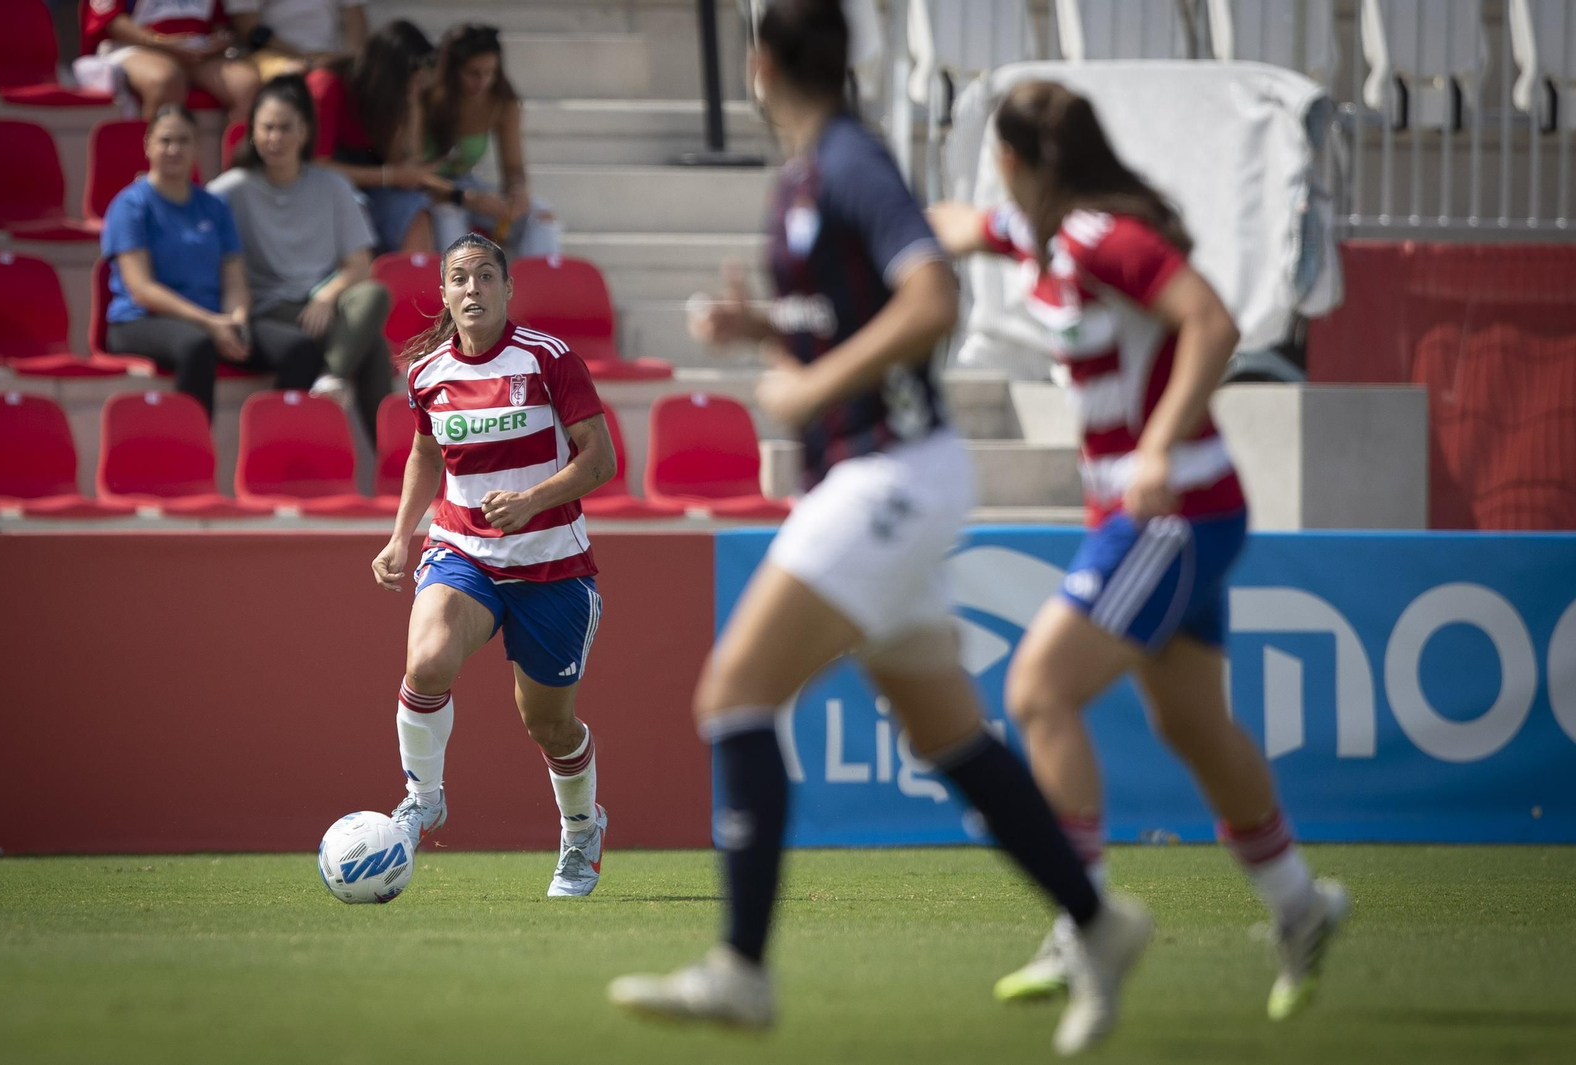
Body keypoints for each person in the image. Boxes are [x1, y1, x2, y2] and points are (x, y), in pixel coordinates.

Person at [606, 4, 1148, 1057]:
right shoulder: (807, 176)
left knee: (733, 694)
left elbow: (932, 299)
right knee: (947, 735)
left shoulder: (851, 163)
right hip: (874, 475)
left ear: (760, 64)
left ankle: (741, 969)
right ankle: (1097, 920)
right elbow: (852, 319)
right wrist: (763, 330)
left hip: (889, 473)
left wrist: (812, 387)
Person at [927, 79, 1349, 1022]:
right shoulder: (1042, 232)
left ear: (1014, 160)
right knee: (1193, 725)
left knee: (1039, 691)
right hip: (1169, 514)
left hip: (1172, 510)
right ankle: (1300, 904)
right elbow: (964, 225)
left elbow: (1213, 322)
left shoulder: (1100, 239)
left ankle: (1085, 924)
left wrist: (1157, 443)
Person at [369, 233, 619, 898]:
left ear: (507, 290)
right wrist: (400, 537)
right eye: (460, 278)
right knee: (427, 663)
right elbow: (425, 454)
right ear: (444, 294)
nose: (472, 288)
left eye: (485, 276)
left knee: (549, 725)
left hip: (552, 567)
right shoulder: (427, 375)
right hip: (462, 552)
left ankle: (581, 830)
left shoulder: (549, 359)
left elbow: (601, 461)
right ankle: (424, 799)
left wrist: (532, 500)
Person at [101, 104, 319, 417]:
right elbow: (142, 289)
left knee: (298, 348)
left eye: (184, 140)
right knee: (197, 345)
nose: (174, 149)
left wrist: (237, 321)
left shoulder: (214, 206)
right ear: (148, 145)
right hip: (139, 321)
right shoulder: (130, 205)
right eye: (166, 140)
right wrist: (210, 323)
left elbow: (234, 277)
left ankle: (274, 435)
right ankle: (195, 444)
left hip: (213, 321)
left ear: (197, 147)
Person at [210, 74, 392, 441]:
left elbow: (359, 265)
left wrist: (325, 296)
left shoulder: (333, 185)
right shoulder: (228, 191)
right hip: (270, 309)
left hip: (323, 305)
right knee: (373, 347)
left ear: (304, 132)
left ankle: (330, 380)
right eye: (267, 128)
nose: (275, 138)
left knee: (374, 294)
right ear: (253, 132)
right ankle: (393, 458)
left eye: (285, 128)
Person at [307, 20, 448, 253]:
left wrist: (413, 103)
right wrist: (390, 176)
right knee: (355, 211)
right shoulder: (328, 85)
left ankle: (414, 276)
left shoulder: (394, 96)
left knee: (415, 210)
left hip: (374, 178)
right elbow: (317, 165)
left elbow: (407, 160)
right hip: (328, 184)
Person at [422, 24, 561, 259]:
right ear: (451, 71)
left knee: (541, 215)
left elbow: (513, 167)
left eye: (490, 72)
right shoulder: (426, 98)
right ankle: (458, 281)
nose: (483, 82)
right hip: (428, 193)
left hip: (467, 187)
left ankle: (542, 282)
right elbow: (410, 175)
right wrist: (464, 197)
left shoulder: (500, 100)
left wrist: (517, 191)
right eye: (473, 73)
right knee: (449, 216)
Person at [76, 0, 260, 124]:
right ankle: (149, 167)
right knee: (165, 81)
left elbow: (218, 20)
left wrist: (220, 40)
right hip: (135, 46)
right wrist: (158, 41)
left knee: (246, 85)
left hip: (197, 51)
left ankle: (238, 167)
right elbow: (113, 21)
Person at [227, 0, 369, 80]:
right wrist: (307, 58)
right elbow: (250, 30)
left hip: (327, 58)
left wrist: (350, 59)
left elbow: (354, 16)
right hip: (271, 56)